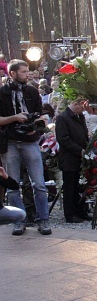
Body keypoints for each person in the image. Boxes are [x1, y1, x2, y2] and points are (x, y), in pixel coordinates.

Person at [0, 59, 51, 236]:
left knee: (39, 183)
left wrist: (36, 125)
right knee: (13, 184)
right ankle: (18, 221)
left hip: (31, 142)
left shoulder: (32, 91)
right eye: (23, 72)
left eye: (28, 71)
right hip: (11, 142)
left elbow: (42, 115)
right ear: (12, 73)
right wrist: (15, 118)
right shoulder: (2, 93)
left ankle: (43, 219)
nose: (27, 74)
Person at [55, 99, 91, 223]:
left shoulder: (79, 116)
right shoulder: (63, 118)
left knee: (79, 186)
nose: (83, 110)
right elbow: (63, 139)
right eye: (81, 107)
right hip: (69, 159)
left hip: (79, 158)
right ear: (75, 104)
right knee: (70, 187)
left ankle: (80, 211)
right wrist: (79, 150)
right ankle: (70, 213)